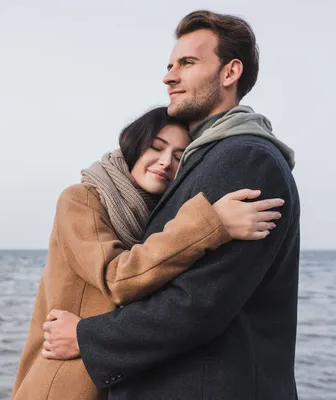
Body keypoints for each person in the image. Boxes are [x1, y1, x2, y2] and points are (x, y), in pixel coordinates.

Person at [41, 10, 299, 400]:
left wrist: (86, 337)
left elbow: (196, 303)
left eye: (188, 63)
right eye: (169, 65)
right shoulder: (205, 160)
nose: (169, 76)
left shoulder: (245, 159)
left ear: (229, 73)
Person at [11, 106, 285, 400]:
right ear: (133, 146)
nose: (166, 162)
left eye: (179, 157)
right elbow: (117, 278)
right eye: (156, 148)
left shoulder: (158, 217)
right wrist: (210, 223)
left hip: (110, 379)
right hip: (63, 383)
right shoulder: (82, 199)